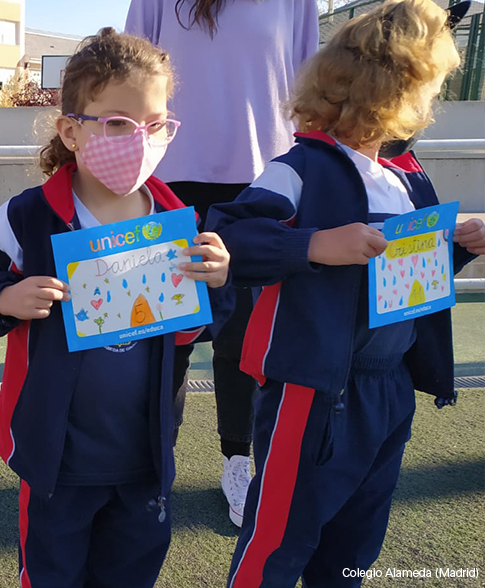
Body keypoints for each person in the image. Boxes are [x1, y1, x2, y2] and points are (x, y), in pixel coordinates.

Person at [206, 1, 484, 586]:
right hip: (311, 394)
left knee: (354, 547)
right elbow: (230, 236)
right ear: (394, 89)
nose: (428, 104)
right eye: (428, 88)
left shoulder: (407, 176)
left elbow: (401, 279)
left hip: (389, 390)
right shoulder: (300, 167)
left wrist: (457, 248)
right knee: (278, 543)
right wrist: (313, 245)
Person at [0, 28, 232, 588]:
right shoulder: (24, 219)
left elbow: (189, 333)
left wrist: (215, 281)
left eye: (154, 123)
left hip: (145, 451)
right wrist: (7, 299)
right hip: (56, 457)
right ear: (71, 130)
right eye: (116, 123)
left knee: (131, 571)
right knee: (52, 573)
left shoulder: (176, 219)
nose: (138, 138)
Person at [125, 0, 319, 528]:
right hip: (169, 180)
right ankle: (149, 469)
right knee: (165, 335)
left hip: (263, 186)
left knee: (242, 342)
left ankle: (238, 461)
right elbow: (131, 69)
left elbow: (308, 83)